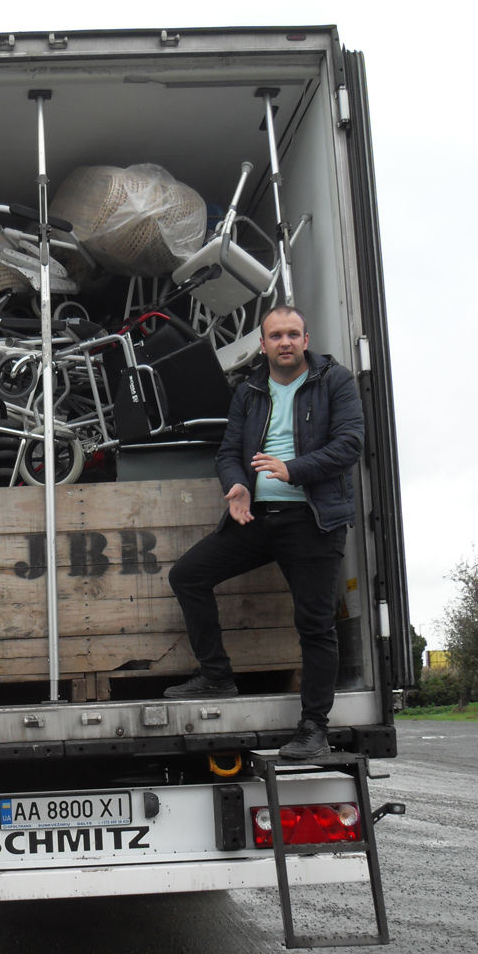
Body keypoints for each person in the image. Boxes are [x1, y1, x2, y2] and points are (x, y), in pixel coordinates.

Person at [165, 306, 364, 761]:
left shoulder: (335, 381)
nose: (285, 342)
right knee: (188, 576)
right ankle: (216, 676)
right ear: (263, 344)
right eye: (276, 336)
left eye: (294, 334)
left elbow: (349, 444)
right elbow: (229, 451)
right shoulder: (250, 388)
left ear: (306, 340)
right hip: (259, 518)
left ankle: (314, 728)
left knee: (314, 626)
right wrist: (236, 485)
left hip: (314, 522)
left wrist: (291, 470)